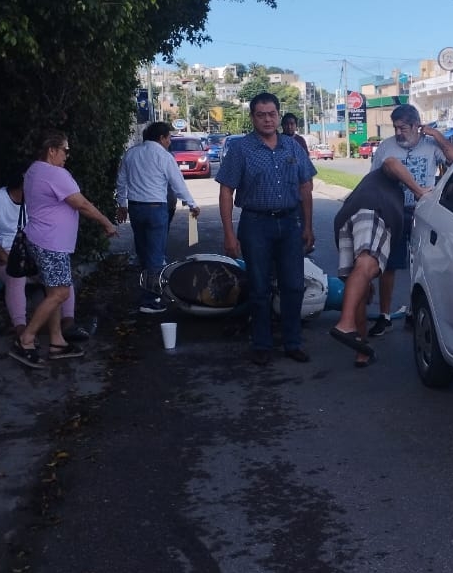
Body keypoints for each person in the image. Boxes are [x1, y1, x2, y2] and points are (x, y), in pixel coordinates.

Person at [216, 92, 317, 366]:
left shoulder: (292, 147)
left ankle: (292, 342)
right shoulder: (241, 149)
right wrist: (228, 232)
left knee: (293, 285)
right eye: (261, 115)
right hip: (255, 224)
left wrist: (308, 226)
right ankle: (262, 344)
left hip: (290, 221)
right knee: (259, 287)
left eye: (272, 114)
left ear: (278, 114)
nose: (267, 119)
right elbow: (227, 190)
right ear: (252, 118)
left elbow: (306, 187)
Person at [9, 129, 118, 369]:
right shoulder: (54, 174)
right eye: (65, 150)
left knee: (53, 292)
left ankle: (57, 342)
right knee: (60, 294)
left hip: (41, 239)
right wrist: (106, 223)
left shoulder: (33, 171)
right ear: (52, 150)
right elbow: (82, 204)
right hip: (51, 244)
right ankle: (26, 339)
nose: (67, 155)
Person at [367, 104, 453, 337]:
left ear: (417, 126)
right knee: (389, 265)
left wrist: (437, 135)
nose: (399, 133)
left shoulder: (431, 146)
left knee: (420, 265)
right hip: (394, 211)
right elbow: (373, 180)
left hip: (422, 212)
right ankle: (385, 315)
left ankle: (413, 312)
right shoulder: (386, 148)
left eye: (404, 128)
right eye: (396, 128)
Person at [0, 170, 89, 340]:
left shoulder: (36, 202)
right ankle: (20, 328)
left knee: (60, 270)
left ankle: (68, 323)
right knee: (16, 275)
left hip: (29, 254)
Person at [329, 166, 427, 367]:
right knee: (366, 265)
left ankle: (361, 350)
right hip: (371, 212)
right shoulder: (385, 174)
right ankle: (346, 324)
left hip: (345, 219)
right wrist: (419, 190)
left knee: (360, 288)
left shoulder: (371, 184)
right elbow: (392, 161)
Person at [115, 122, 201, 313]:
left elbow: (121, 180)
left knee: (144, 252)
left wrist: (122, 205)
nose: (170, 141)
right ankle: (151, 299)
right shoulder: (163, 156)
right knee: (156, 254)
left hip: (136, 209)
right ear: (161, 138)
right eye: (169, 138)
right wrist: (191, 204)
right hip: (156, 209)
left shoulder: (131, 153)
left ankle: (147, 291)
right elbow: (177, 183)